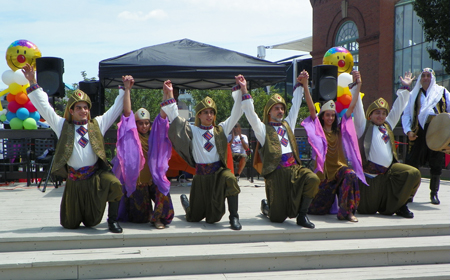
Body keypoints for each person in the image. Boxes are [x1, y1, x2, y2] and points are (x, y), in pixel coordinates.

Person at [22, 63, 125, 233]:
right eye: (79, 108)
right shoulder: (62, 125)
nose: (83, 111)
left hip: (95, 177)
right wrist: (33, 81)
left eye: (85, 107)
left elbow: (114, 110)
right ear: (71, 110)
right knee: (70, 224)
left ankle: (112, 221)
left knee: (114, 184)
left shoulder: (98, 124)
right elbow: (45, 108)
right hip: (75, 181)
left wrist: (123, 90)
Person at [160, 76, 244, 230]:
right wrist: (171, 94)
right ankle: (187, 204)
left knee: (230, 180)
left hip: (218, 174)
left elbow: (236, 113)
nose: (209, 115)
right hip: (200, 177)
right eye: (205, 112)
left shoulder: (221, 129)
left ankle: (234, 217)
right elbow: (175, 119)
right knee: (194, 218)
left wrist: (240, 91)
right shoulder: (193, 130)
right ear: (198, 115)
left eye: (211, 112)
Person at [241, 70, 320, 228]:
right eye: (276, 108)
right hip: (276, 174)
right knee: (277, 219)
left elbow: (296, 107)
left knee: (313, 179)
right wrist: (244, 90)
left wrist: (300, 84)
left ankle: (302, 216)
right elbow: (251, 115)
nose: (281, 111)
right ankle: (267, 207)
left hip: (294, 169)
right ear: (269, 111)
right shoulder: (263, 130)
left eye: (282, 108)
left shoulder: (287, 125)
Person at [353, 71, 421, 218]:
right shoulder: (362, 127)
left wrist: (405, 89)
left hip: (388, 174)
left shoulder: (388, 126)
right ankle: (385, 205)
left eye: (384, 113)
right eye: (377, 113)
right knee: (367, 210)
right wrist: (357, 85)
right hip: (370, 177)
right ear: (370, 115)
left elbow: (398, 108)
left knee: (412, 173)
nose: (381, 116)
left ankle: (402, 205)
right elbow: (357, 108)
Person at [302, 71, 366, 222]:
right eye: (327, 115)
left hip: (339, 170)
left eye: (332, 115)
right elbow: (312, 110)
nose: (330, 117)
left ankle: (347, 212)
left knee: (350, 174)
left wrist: (359, 86)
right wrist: (305, 85)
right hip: (323, 178)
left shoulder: (339, 130)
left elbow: (352, 106)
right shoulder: (318, 130)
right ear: (322, 117)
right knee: (317, 210)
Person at [112, 76, 174, 229]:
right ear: (136, 124)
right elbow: (127, 113)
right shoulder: (132, 136)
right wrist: (127, 89)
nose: (144, 126)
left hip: (153, 180)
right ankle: (148, 215)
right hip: (138, 183)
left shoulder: (154, 137)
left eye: (147, 123)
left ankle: (157, 219)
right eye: (140, 123)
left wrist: (166, 94)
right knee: (140, 219)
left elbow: (162, 118)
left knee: (163, 191)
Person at [401, 68, 450, 205]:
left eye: (429, 75)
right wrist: (408, 131)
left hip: (438, 131)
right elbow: (406, 115)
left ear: (433, 78)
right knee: (412, 163)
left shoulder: (442, 92)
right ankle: (409, 193)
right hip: (419, 131)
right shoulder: (413, 94)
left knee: (436, 163)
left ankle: (434, 193)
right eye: (423, 75)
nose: (426, 78)